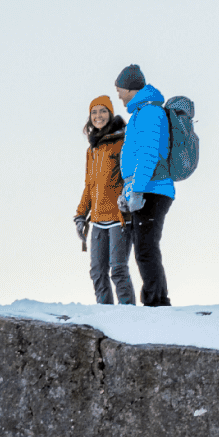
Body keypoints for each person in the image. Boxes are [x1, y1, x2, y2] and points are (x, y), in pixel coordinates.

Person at [111, 63, 178, 306]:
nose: (118, 93)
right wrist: (127, 191)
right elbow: (136, 158)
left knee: (146, 248)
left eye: (119, 88)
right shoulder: (140, 113)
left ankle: (157, 302)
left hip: (153, 189)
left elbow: (148, 155)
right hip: (144, 188)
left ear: (129, 87)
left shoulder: (150, 113)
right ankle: (155, 300)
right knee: (144, 248)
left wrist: (137, 189)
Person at [73, 94, 136, 304]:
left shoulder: (122, 141)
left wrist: (128, 199)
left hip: (120, 217)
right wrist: (81, 214)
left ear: (110, 113)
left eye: (102, 111)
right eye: (94, 112)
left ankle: (129, 316)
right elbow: (89, 186)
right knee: (97, 272)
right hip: (98, 220)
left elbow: (130, 176)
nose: (98, 116)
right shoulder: (92, 150)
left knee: (118, 270)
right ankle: (105, 315)